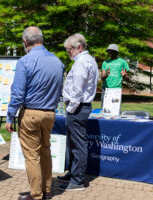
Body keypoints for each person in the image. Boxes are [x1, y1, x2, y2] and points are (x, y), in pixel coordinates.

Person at [5, 26, 64, 200]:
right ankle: (47, 189)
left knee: (32, 156)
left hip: (31, 113)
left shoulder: (25, 61)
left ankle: (36, 195)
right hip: (50, 114)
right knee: (45, 151)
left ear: (25, 42)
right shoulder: (57, 61)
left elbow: (17, 93)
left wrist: (10, 116)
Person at [58, 33, 99, 191]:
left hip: (78, 107)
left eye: (69, 49)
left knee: (78, 145)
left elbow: (77, 89)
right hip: (79, 107)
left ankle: (77, 180)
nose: (68, 52)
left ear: (79, 47)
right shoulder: (87, 60)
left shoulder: (82, 62)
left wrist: (70, 108)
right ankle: (73, 173)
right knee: (73, 143)